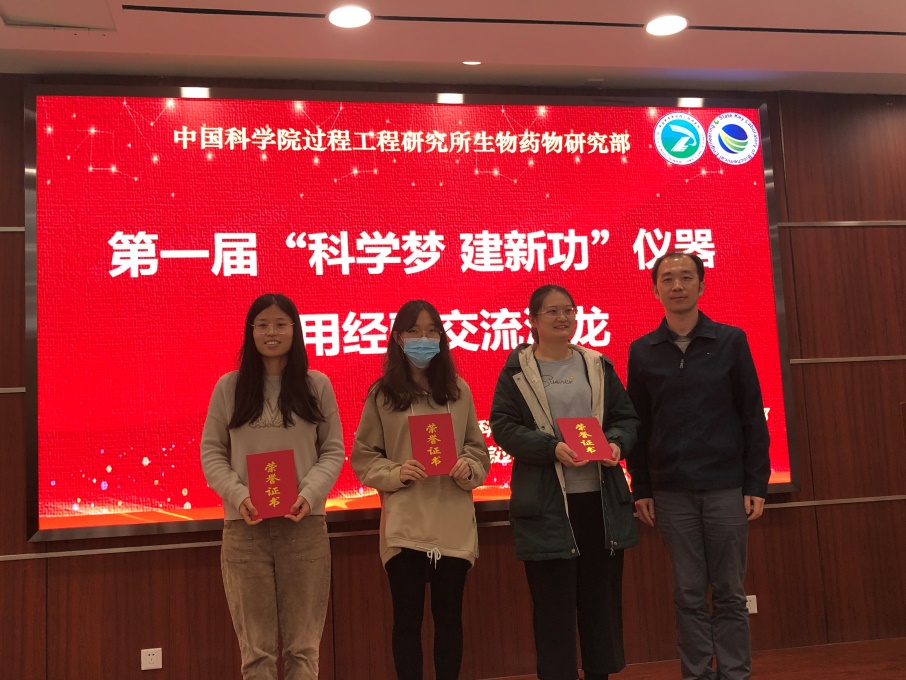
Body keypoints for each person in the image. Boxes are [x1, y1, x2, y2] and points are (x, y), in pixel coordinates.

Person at [626, 252, 771, 680]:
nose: (677, 285)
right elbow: (638, 424)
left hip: (726, 487)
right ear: (655, 290)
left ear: (701, 285)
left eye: (686, 277)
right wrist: (641, 487)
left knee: (729, 593)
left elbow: (751, 416)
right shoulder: (643, 350)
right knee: (688, 593)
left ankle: (735, 673)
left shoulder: (730, 340)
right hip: (671, 491)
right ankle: (697, 674)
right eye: (667, 279)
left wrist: (756, 483)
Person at [489, 284, 640, 680]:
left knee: (599, 604)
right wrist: (550, 448)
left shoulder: (597, 364)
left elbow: (626, 419)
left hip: (599, 503)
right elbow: (503, 426)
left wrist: (615, 444)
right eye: (552, 311)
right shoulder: (517, 371)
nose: (562, 318)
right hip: (547, 506)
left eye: (568, 310)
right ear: (533, 320)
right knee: (552, 609)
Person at [200, 293, 344, 680]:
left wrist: (308, 494)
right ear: (251, 332)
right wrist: (239, 496)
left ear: (295, 330)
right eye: (262, 325)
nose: (271, 332)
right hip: (245, 531)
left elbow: (333, 451)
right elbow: (212, 453)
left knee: (303, 650)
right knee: (256, 654)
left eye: (280, 324)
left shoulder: (316, 385)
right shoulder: (229, 387)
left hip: (304, 529)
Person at [351, 299, 490, 680]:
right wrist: (397, 472)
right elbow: (364, 459)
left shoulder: (458, 390)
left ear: (442, 338)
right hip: (405, 525)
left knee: (450, 619)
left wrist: (469, 467)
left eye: (431, 331)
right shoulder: (382, 394)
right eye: (414, 331)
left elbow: (478, 452)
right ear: (398, 338)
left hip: (452, 522)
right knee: (407, 621)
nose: (423, 339)